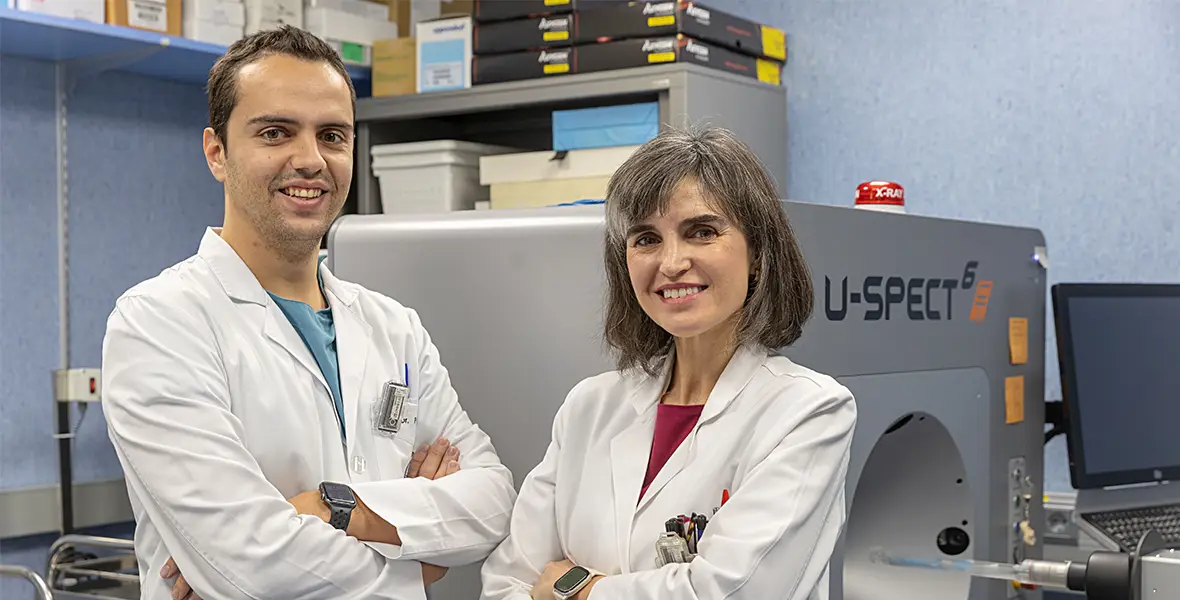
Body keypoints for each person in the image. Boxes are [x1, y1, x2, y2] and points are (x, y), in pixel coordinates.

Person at [101, 26, 516, 600]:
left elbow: (493, 501)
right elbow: (255, 562)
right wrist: (422, 564)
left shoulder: (393, 327)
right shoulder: (159, 323)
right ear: (216, 152)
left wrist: (332, 508)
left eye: (332, 136)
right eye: (275, 132)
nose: (310, 159)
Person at [478, 126, 858, 600]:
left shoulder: (808, 411)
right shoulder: (589, 407)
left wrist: (575, 589)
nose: (672, 262)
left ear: (758, 252)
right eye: (646, 239)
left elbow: (732, 592)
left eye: (702, 232)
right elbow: (503, 585)